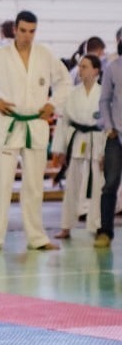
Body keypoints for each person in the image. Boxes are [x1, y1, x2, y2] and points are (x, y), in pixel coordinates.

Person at [0, 10, 71, 251]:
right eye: (23, 30)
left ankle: (37, 237)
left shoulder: (45, 55)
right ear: (15, 29)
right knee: (2, 182)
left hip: (36, 123)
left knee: (34, 185)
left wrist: (53, 104)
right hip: (9, 122)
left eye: (32, 31)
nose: (27, 36)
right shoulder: (1, 54)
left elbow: (65, 82)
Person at [52, 54, 103, 240]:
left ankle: (97, 225)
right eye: (80, 66)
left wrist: (107, 151)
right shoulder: (72, 93)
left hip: (97, 142)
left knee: (98, 185)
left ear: (96, 70)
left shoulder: (104, 93)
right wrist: (59, 149)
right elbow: (63, 123)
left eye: (85, 66)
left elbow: (108, 125)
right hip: (77, 140)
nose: (80, 70)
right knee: (72, 185)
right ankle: (66, 226)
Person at [97, 37, 122, 248]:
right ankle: (105, 232)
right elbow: (104, 100)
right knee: (110, 184)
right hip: (116, 135)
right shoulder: (113, 68)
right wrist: (109, 127)